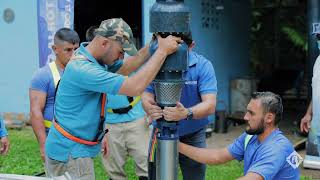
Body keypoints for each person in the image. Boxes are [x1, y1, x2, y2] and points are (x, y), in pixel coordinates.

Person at [44, 18, 181, 179]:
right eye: (120, 51)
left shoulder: (92, 60)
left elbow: (126, 67)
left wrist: (153, 45)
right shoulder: (83, 69)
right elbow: (135, 86)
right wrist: (162, 52)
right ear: (104, 43)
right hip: (70, 153)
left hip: (72, 151)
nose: (121, 57)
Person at [142, 32, 217, 180]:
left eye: (177, 50)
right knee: (159, 175)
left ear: (191, 46)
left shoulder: (203, 66)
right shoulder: (156, 63)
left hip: (193, 134)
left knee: (194, 176)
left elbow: (210, 105)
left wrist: (186, 113)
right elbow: (146, 94)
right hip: (161, 131)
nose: (172, 56)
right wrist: (149, 107)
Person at [179, 92, 300, 180]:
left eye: (251, 113)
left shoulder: (277, 148)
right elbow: (217, 156)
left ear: (269, 118)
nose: (245, 117)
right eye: (247, 111)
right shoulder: (251, 137)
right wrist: (175, 145)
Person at [29, 28, 80, 161]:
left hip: (80, 140)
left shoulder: (83, 72)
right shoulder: (42, 75)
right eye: (68, 50)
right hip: (55, 140)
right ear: (55, 49)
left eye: (76, 49)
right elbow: (36, 112)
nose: (73, 54)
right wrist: (43, 145)